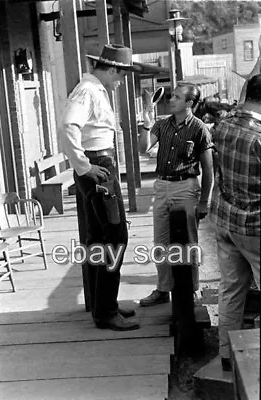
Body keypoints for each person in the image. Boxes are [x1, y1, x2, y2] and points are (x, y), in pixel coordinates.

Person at [60, 44, 140, 331]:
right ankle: (106, 310)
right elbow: (69, 126)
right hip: (97, 164)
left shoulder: (95, 88)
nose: (122, 80)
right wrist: (84, 166)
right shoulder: (88, 90)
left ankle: (103, 304)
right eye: (122, 74)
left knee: (99, 238)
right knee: (115, 236)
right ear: (112, 69)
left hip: (99, 162)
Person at [139, 83, 214, 307]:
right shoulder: (162, 125)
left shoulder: (199, 129)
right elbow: (144, 147)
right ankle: (163, 289)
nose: (171, 100)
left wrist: (204, 202)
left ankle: (191, 289)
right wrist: (145, 122)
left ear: (189, 103)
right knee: (160, 242)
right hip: (162, 186)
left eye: (177, 97)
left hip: (186, 187)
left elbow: (208, 168)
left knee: (188, 242)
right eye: (171, 96)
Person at [210, 74, 261, 371]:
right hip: (255, 227)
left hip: (225, 219)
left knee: (230, 289)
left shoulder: (223, 126)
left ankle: (227, 356)